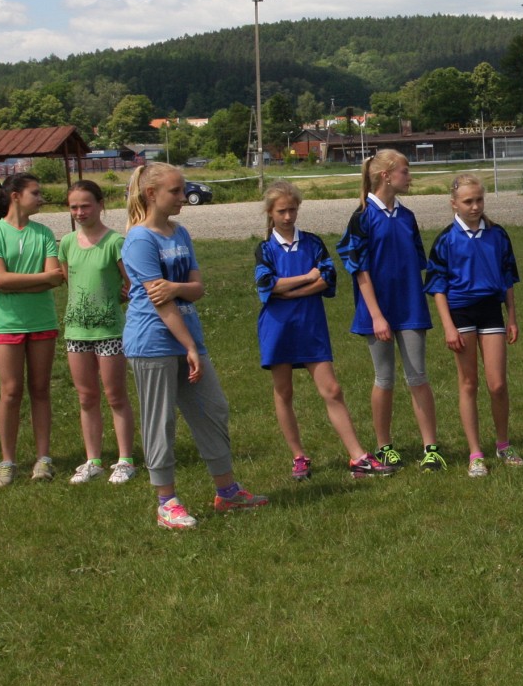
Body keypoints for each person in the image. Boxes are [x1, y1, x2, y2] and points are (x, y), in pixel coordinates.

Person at [123, 162, 267, 529]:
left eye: (182, 189)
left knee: (213, 409)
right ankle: (166, 502)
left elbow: (197, 288)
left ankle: (227, 492)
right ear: (151, 194)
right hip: (152, 341)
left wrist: (176, 288)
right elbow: (160, 302)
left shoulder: (180, 233)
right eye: (175, 191)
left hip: (188, 339)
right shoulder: (139, 239)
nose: (182, 197)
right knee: (160, 420)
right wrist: (187, 342)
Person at [255, 180, 393, 482]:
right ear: (270, 213)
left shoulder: (314, 242)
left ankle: (358, 457)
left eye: (292, 210)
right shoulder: (264, 249)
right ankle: (298, 456)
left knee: (332, 390)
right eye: (282, 211)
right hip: (277, 328)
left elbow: (328, 278)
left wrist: (289, 290)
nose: (288, 216)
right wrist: (307, 278)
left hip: (311, 326)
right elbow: (267, 284)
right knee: (284, 391)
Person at [336, 149, 446, 472]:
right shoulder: (361, 217)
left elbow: (416, 262)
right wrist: (377, 315)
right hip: (376, 313)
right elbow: (360, 270)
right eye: (405, 171)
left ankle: (431, 449)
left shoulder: (407, 216)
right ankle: (384, 447)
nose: (409, 177)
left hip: (410, 307)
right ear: (386, 175)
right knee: (384, 378)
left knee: (418, 376)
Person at [426, 174, 522, 478]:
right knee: (469, 383)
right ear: (454, 204)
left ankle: (503, 445)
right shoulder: (445, 239)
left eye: (479, 199)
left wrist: (512, 316)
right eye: (468, 201)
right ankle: (475, 453)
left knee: (498, 384)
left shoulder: (498, 235)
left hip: (491, 311)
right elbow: (437, 287)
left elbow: (507, 278)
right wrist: (448, 326)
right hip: (461, 313)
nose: (475, 206)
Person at [0, 173, 64, 486]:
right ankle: (8, 461)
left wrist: (9, 283)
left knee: (40, 389)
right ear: (15, 196)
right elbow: (2, 277)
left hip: (42, 321)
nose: (41, 198)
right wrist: (37, 280)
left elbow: (55, 277)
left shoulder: (44, 233)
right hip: (7, 323)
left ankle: (43, 459)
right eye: (35, 193)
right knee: (11, 391)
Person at [57, 180, 137, 485]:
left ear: (100, 205)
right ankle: (93, 460)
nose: (79, 212)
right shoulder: (66, 243)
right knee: (86, 397)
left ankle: (125, 459)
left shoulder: (115, 242)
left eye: (85, 205)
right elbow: (69, 279)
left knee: (115, 396)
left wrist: (117, 298)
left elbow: (132, 284)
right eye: (74, 207)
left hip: (109, 332)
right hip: (76, 333)